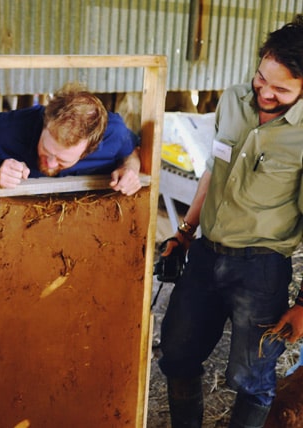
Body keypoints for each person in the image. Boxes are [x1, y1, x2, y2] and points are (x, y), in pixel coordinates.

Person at [158, 15, 303, 427]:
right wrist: (185, 232)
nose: (265, 93)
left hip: (261, 268)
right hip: (205, 254)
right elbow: (211, 171)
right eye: (262, 78)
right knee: (178, 354)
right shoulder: (233, 100)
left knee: (251, 377)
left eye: (281, 89)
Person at [0, 81, 142, 195]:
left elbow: (131, 153)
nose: (50, 163)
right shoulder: (2, 129)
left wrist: (130, 169)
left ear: (90, 148)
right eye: (47, 149)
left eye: (63, 160)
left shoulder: (115, 132)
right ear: (45, 121)